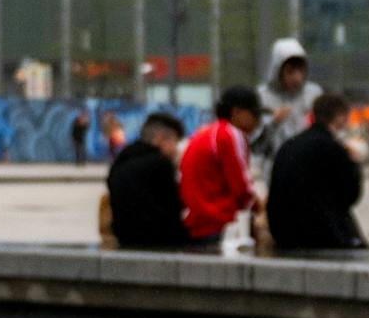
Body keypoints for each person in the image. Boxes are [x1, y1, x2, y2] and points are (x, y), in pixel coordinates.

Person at [266, 94, 369, 252]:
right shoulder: (333, 148)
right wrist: (353, 163)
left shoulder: (289, 145)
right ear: (340, 117)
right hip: (319, 235)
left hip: (284, 233)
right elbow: (350, 195)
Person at [180, 86, 262, 246]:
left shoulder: (203, 133)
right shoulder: (230, 134)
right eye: (255, 114)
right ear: (237, 112)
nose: (258, 120)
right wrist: (260, 208)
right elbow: (242, 189)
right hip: (219, 225)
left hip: (196, 225)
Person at [106, 111, 188, 250]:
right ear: (161, 138)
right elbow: (174, 208)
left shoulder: (121, 161)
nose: (175, 148)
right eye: (175, 141)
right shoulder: (160, 163)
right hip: (159, 242)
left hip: (125, 239)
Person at [252, 37, 322, 183]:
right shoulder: (263, 96)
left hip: (310, 167)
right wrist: (273, 123)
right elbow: (256, 144)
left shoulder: (313, 94)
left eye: (300, 71)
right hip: (276, 169)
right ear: (278, 71)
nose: (296, 78)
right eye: (290, 72)